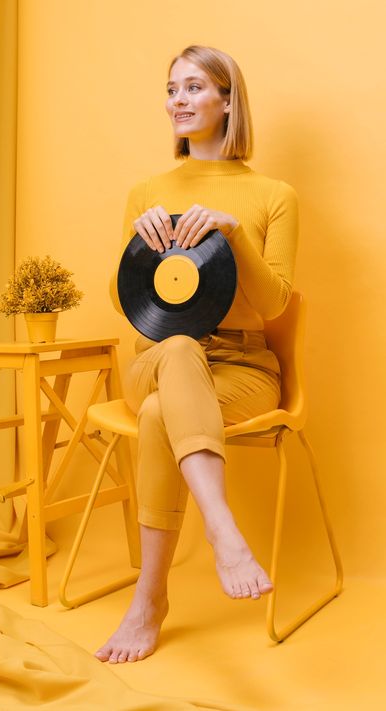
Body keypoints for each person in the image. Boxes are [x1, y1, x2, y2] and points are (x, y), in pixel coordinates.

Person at [95, 44, 298, 664]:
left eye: (192, 88)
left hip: (243, 371)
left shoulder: (273, 195)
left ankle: (149, 599)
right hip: (158, 359)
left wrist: (234, 237)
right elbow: (122, 299)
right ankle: (223, 531)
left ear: (227, 100)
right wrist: (137, 241)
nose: (177, 101)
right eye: (171, 89)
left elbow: (275, 305)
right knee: (178, 347)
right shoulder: (148, 191)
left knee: (160, 416)